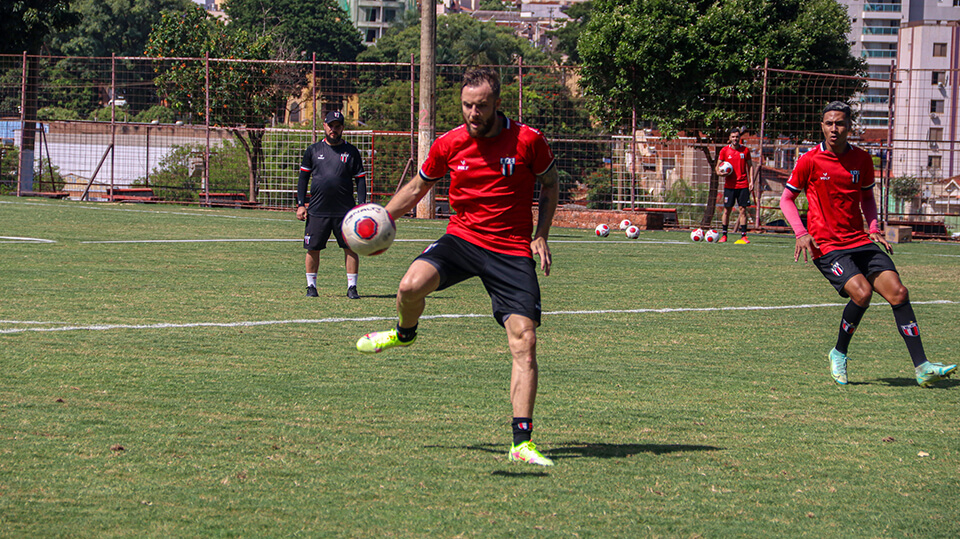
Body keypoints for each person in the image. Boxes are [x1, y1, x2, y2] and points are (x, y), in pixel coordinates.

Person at [355, 68, 560, 466]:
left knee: (525, 340)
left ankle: (522, 443)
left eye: (481, 106)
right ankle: (405, 333)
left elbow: (549, 185)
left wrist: (541, 234)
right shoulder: (448, 144)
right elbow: (417, 188)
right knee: (409, 287)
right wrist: (379, 219)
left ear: (497, 103)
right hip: (462, 240)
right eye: (467, 105)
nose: (473, 113)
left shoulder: (528, 141)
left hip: (510, 250)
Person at [779, 101, 956, 387]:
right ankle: (839, 352)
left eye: (839, 123)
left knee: (898, 292)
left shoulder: (862, 160)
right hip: (826, 245)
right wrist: (801, 232)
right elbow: (786, 199)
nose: (834, 128)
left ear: (850, 126)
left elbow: (867, 198)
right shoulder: (809, 160)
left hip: (860, 240)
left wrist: (873, 227)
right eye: (828, 123)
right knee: (862, 294)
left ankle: (922, 367)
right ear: (822, 126)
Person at [296, 110, 367, 299]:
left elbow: (360, 180)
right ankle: (311, 286)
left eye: (337, 126)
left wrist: (362, 206)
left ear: (342, 128)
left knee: (350, 247)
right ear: (324, 126)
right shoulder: (313, 150)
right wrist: (301, 204)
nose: (333, 129)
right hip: (318, 210)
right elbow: (303, 178)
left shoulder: (351, 151)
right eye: (330, 126)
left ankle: (352, 287)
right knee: (313, 248)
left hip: (346, 211)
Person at [716, 127, 754, 244]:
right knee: (727, 210)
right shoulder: (724, 151)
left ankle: (743, 236)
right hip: (730, 186)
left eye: (737, 137)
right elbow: (717, 168)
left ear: (739, 138)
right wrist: (720, 173)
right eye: (733, 137)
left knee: (743, 210)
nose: (735, 139)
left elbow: (750, 166)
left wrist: (751, 181)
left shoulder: (745, 151)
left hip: (743, 185)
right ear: (730, 138)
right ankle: (724, 235)